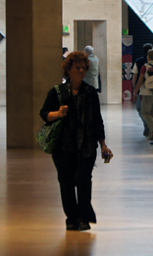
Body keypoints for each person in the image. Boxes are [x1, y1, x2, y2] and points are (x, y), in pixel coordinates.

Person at [40, 50, 112, 231]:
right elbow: (44, 114)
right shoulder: (57, 92)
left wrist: (103, 144)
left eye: (83, 68)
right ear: (69, 69)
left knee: (83, 180)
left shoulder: (90, 93)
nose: (81, 71)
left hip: (86, 146)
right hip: (63, 147)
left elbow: (97, 120)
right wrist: (57, 114)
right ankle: (71, 217)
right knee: (66, 182)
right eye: (77, 68)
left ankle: (83, 217)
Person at [138, 49, 153, 140]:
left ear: (149, 57)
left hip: (146, 92)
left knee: (144, 112)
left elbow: (140, 80)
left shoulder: (145, 67)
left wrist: (136, 91)